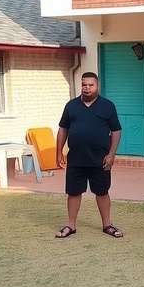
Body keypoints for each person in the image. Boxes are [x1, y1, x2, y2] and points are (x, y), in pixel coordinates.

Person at [55, 72, 123, 239]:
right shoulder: (71, 106)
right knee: (73, 192)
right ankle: (71, 226)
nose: (87, 88)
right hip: (76, 158)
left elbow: (116, 130)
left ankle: (107, 224)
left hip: (100, 159)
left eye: (90, 85)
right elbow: (63, 128)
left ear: (97, 86)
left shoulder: (108, 106)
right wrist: (58, 152)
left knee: (102, 192)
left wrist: (111, 154)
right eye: (84, 84)